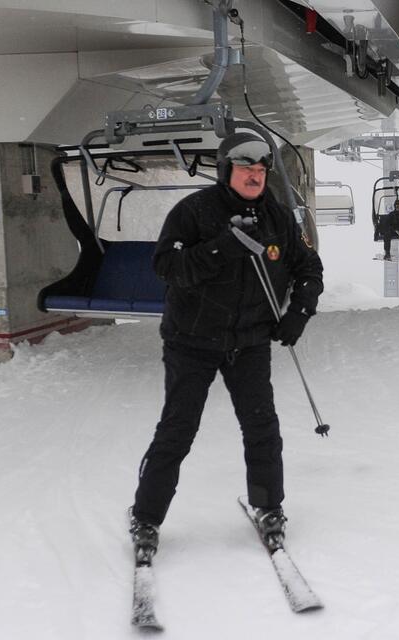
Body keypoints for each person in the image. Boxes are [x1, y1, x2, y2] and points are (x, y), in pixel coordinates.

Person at [129, 132, 324, 561]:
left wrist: (299, 312)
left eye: (260, 170)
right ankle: (146, 517)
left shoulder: (277, 217)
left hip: (250, 341)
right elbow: (167, 267)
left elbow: (308, 267)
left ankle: (268, 508)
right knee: (178, 431)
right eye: (245, 169)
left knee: (262, 429)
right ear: (226, 171)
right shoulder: (194, 212)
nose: (254, 177)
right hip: (191, 342)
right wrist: (221, 248)